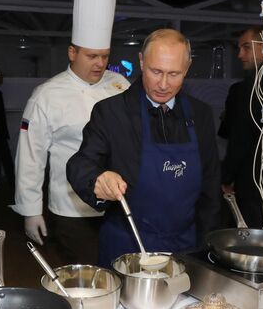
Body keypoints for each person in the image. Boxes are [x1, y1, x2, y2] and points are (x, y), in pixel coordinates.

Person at [67, 29, 221, 267]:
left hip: (187, 247)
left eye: (174, 74)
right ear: (141, 61)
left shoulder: (201, 114)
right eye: (155, 71)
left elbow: (210, 187)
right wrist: (97, 178)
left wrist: (207, 251)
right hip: (127, 247)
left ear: (187, 68)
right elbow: (81, 163)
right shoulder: (111, 112)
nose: (163, 84)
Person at [11, 0, 129, 264]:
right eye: (91, 56)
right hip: (70, 211)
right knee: (84, 284)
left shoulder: (121, 86)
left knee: (120, 274)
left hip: (118, 206)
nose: (100, 63)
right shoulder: (47, 95)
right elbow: (31, 156)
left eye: (104, 56)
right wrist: (31, 210)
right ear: (72, 52)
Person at [220, 26, 263, 228]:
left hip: (253, 180)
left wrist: (226, 176)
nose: (239, 55)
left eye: (246, 47)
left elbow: (239, 138)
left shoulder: (250, 87)